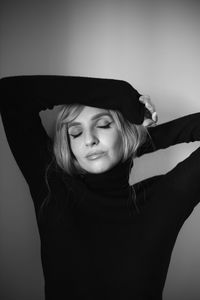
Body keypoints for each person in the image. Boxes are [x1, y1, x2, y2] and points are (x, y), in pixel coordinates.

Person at [0, 75, 200, 300]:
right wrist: (120, 93)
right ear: (69, 145)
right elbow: (10, 94)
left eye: (103, 125)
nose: (89, 140)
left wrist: (132, 144)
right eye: (75, 132)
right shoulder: (53, 187)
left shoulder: (161, 199)